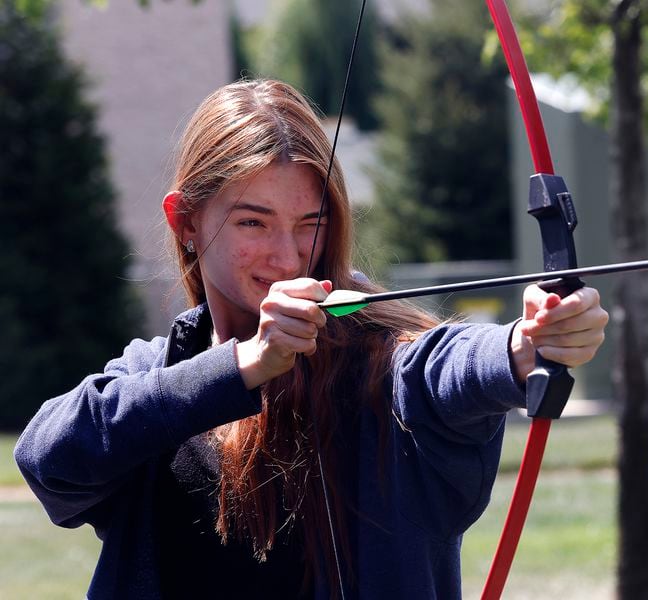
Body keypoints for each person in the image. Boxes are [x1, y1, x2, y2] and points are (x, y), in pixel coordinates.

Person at [14, 79, 609, 599]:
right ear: (186, 222)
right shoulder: (159, 374)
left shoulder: (381, 359)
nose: (287, 256)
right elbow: (47, 460)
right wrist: (242, 365)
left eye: (310, 223)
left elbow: (442, 366)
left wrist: (522, 346)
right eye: (253, 222)